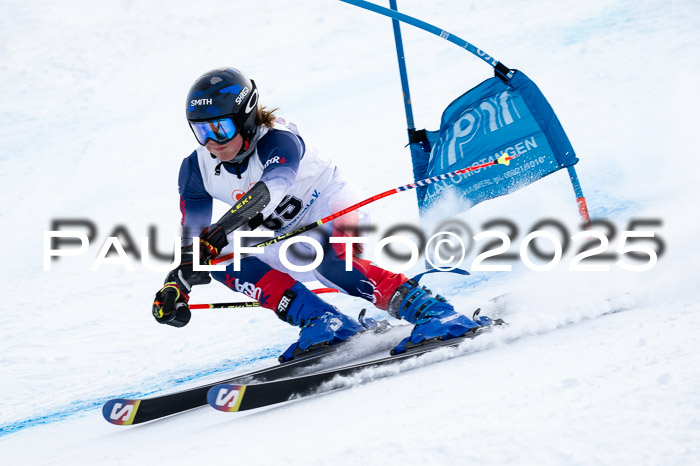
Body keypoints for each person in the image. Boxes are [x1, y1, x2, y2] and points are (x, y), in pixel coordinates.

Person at [151, 67, 482, 360]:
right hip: (283, 236)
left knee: (332, 266)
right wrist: (178, 281)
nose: (212, 142)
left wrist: (221, 230)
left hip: (331, 211)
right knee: (219, 257)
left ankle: (435, 312)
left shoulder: (279, 141)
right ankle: (323, 320)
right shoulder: (196, 169)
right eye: (201, 131)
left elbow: (268, 192)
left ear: (246, 119)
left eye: (220, 129)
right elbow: (194, 235)